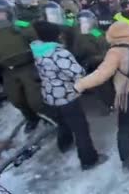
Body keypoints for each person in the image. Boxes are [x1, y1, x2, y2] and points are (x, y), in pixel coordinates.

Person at [75, 22, 129, 171]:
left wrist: (80, 85)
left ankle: (127, 161)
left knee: (125, 128)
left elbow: (101, 75)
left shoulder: (115, 52)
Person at [30, 21, 107, 170]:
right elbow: (77, 73)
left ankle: (64, 145)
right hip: (65, 95)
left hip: (49, 94)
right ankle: (89, 160)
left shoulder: (37, 49)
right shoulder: (59, 53)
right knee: (80, 128)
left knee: (62, 123)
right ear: (57, 36)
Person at [0, 0, 44, 133]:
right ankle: (31, 118)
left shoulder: (22, 26)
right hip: (8, 70)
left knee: (35, 100)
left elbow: (36, 42)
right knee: (16, 99)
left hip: (28, 66)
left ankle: (47, 115)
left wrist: (36, 48)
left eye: (1, 12)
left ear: (8, 13)